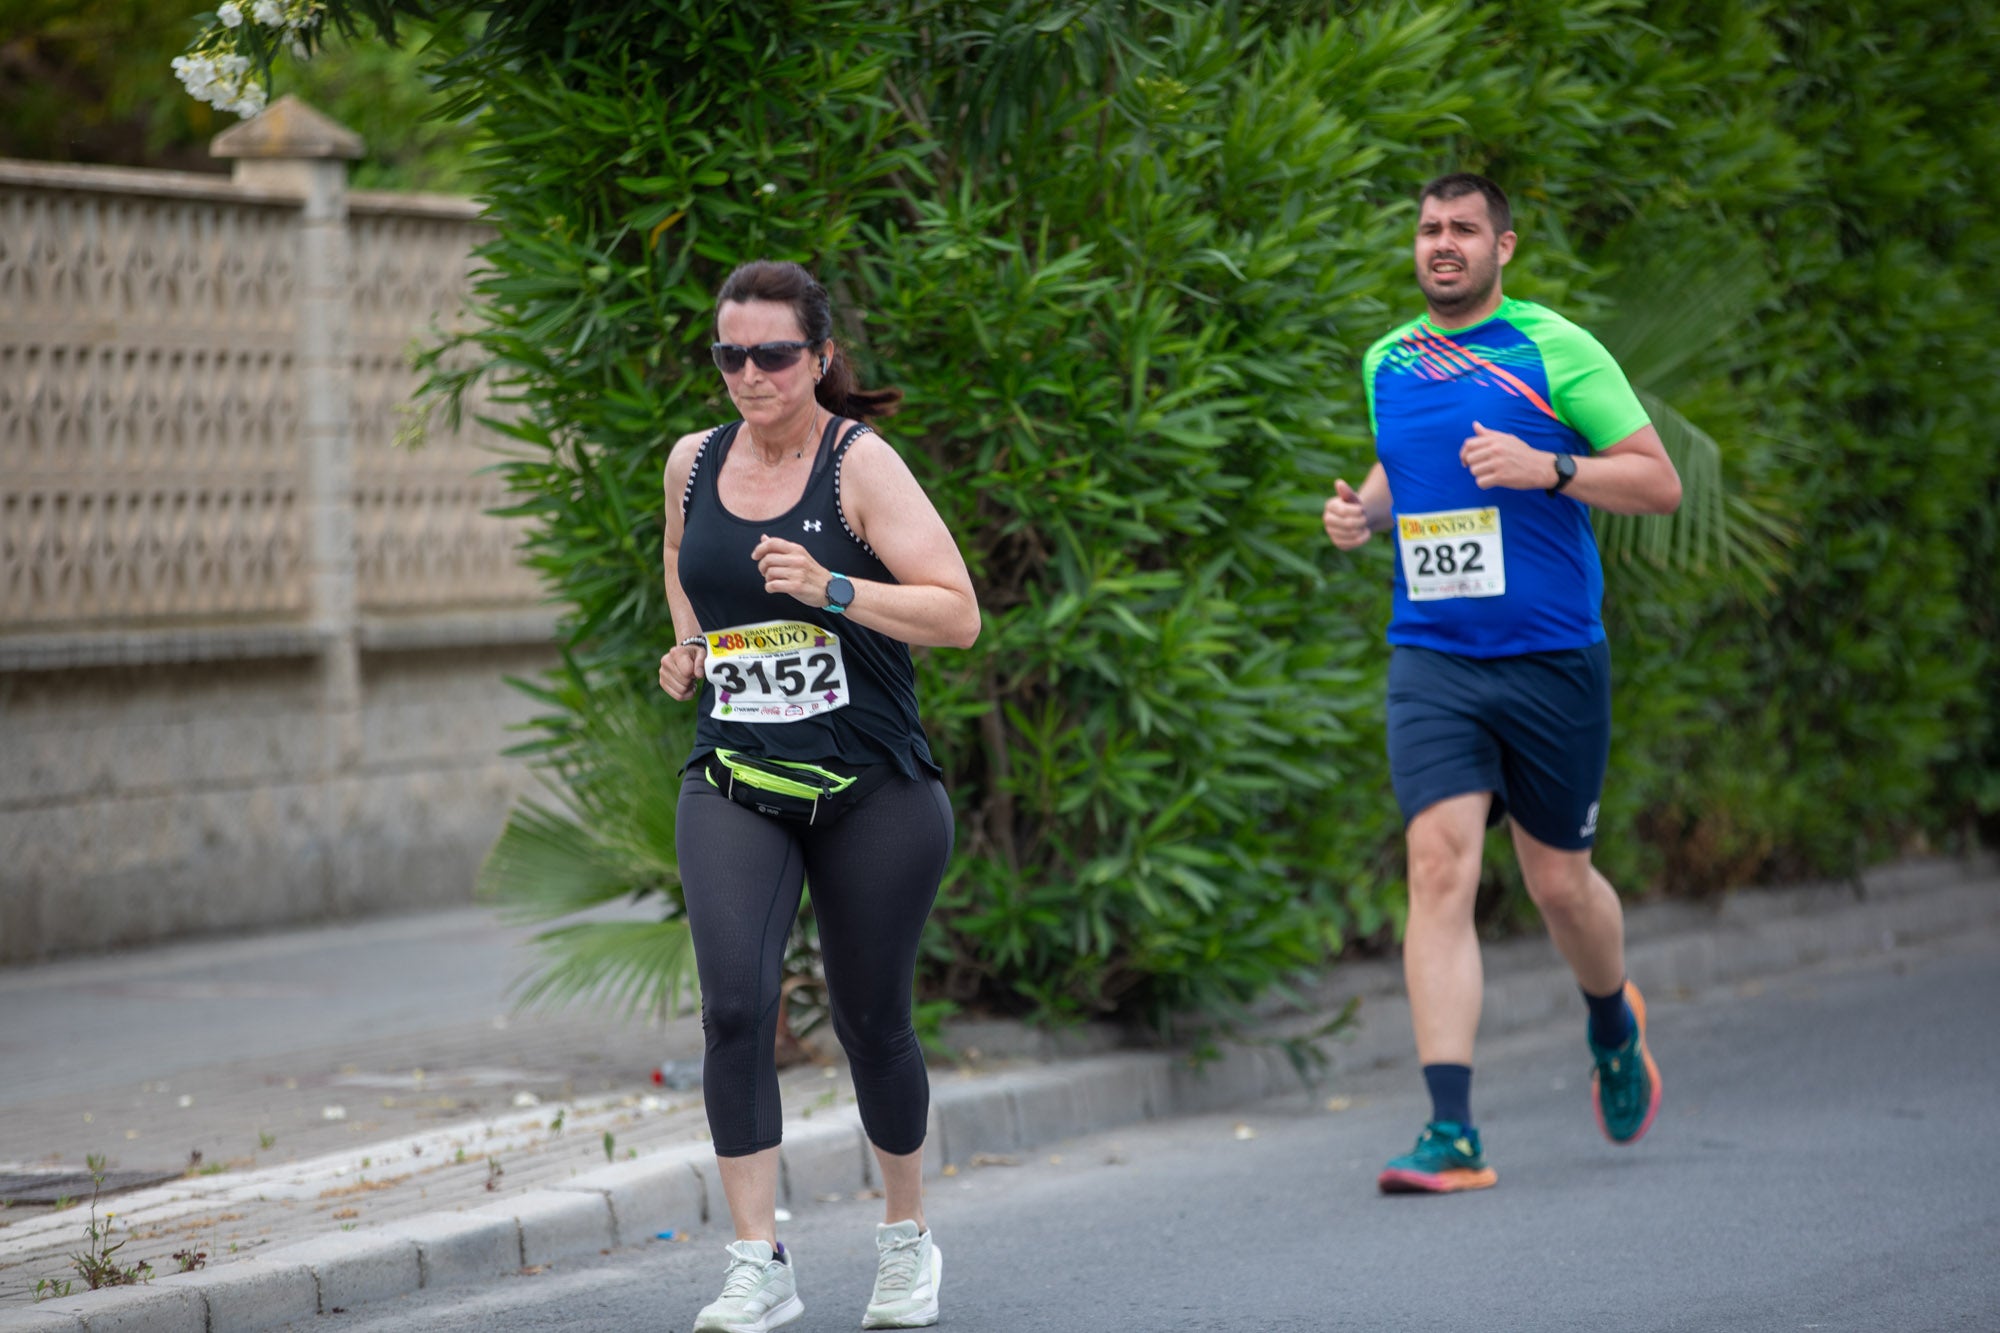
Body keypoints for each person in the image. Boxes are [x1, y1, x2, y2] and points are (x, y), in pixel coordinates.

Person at [1322, 173, 1682, 1194]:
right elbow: (1407, 467)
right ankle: (1451, 1132)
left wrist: (1551, 468)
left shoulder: (1554, 349)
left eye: (1464, 230)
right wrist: (1364, 514)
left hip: (1551, 656)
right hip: (1432, 655)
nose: (1443, 244)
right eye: (1428, 229)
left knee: (1558, 882)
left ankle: (1611, 1021)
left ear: (1502, 247)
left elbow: (1658, 480)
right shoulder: (1387, 360)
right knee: (1437, 868)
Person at [657, 259, 980, 1330]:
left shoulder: (859, 466)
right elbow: (682, 557)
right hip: (736, 772)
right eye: (731, 353)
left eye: (774, 353)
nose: (750, 374)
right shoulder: (692, 461)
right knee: (734, 1007)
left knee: (871, 1018)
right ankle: (758, 1260)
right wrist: (690, 646)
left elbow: (957, 612)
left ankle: (906, 1235)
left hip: (872, 784)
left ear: (820, 356)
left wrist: (833, 586)